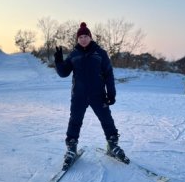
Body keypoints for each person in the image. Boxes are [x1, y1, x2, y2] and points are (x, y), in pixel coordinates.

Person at [54, 22, 130, 169]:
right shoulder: (74, 54)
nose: (83, 39)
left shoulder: (100, 53)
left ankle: (112, 145)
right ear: (77, 39)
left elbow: (108, 74)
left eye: (85, 36)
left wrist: (111, 93)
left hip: (98, 95)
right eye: (80, 37)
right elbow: (64, 73)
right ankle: (71, 148)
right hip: (79, 95)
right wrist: (58, 62)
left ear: (90, 37)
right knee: (75, 121)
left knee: (106, 119)